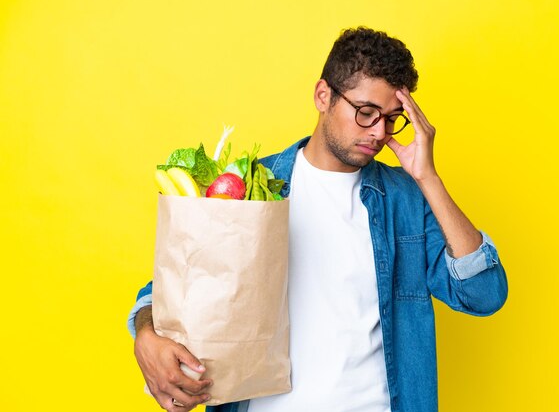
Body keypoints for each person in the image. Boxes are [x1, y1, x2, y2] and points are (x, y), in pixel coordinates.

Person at [128, 26, 508, 412]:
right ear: (323, 96)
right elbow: (173, 290)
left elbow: (483, 295)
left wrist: (428, 179)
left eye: (392, 118)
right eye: (366, 113)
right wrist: (146, 333)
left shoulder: (406, 200)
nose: (379, 132)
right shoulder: (254, 185)